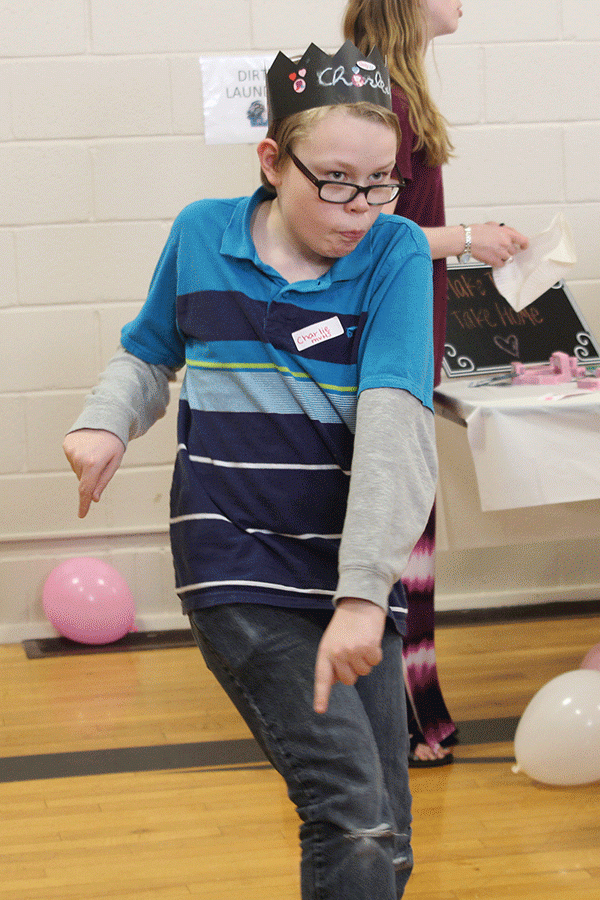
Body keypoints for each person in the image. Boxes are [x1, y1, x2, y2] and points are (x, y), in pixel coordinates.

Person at [63, 41, 438, 900]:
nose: (361, 208)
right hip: (235, 560)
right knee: (349, 809)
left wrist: (359, 592)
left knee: (389, 832)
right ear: (273, 161)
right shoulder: (202, 233)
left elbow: (393, 427)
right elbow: (147, 354)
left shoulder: (396, 255)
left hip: (349, 565)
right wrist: (105, 422)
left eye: (382, 182)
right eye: (335, 179)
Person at [344, 0, 529, 765]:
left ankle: (413, 717)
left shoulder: (391, 86)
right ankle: (409, 721)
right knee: (395, 534)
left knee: (400, 531)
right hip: (385, 347)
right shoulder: (376, 94)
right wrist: (469, 238)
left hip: (401, 340)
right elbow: (354, 227)